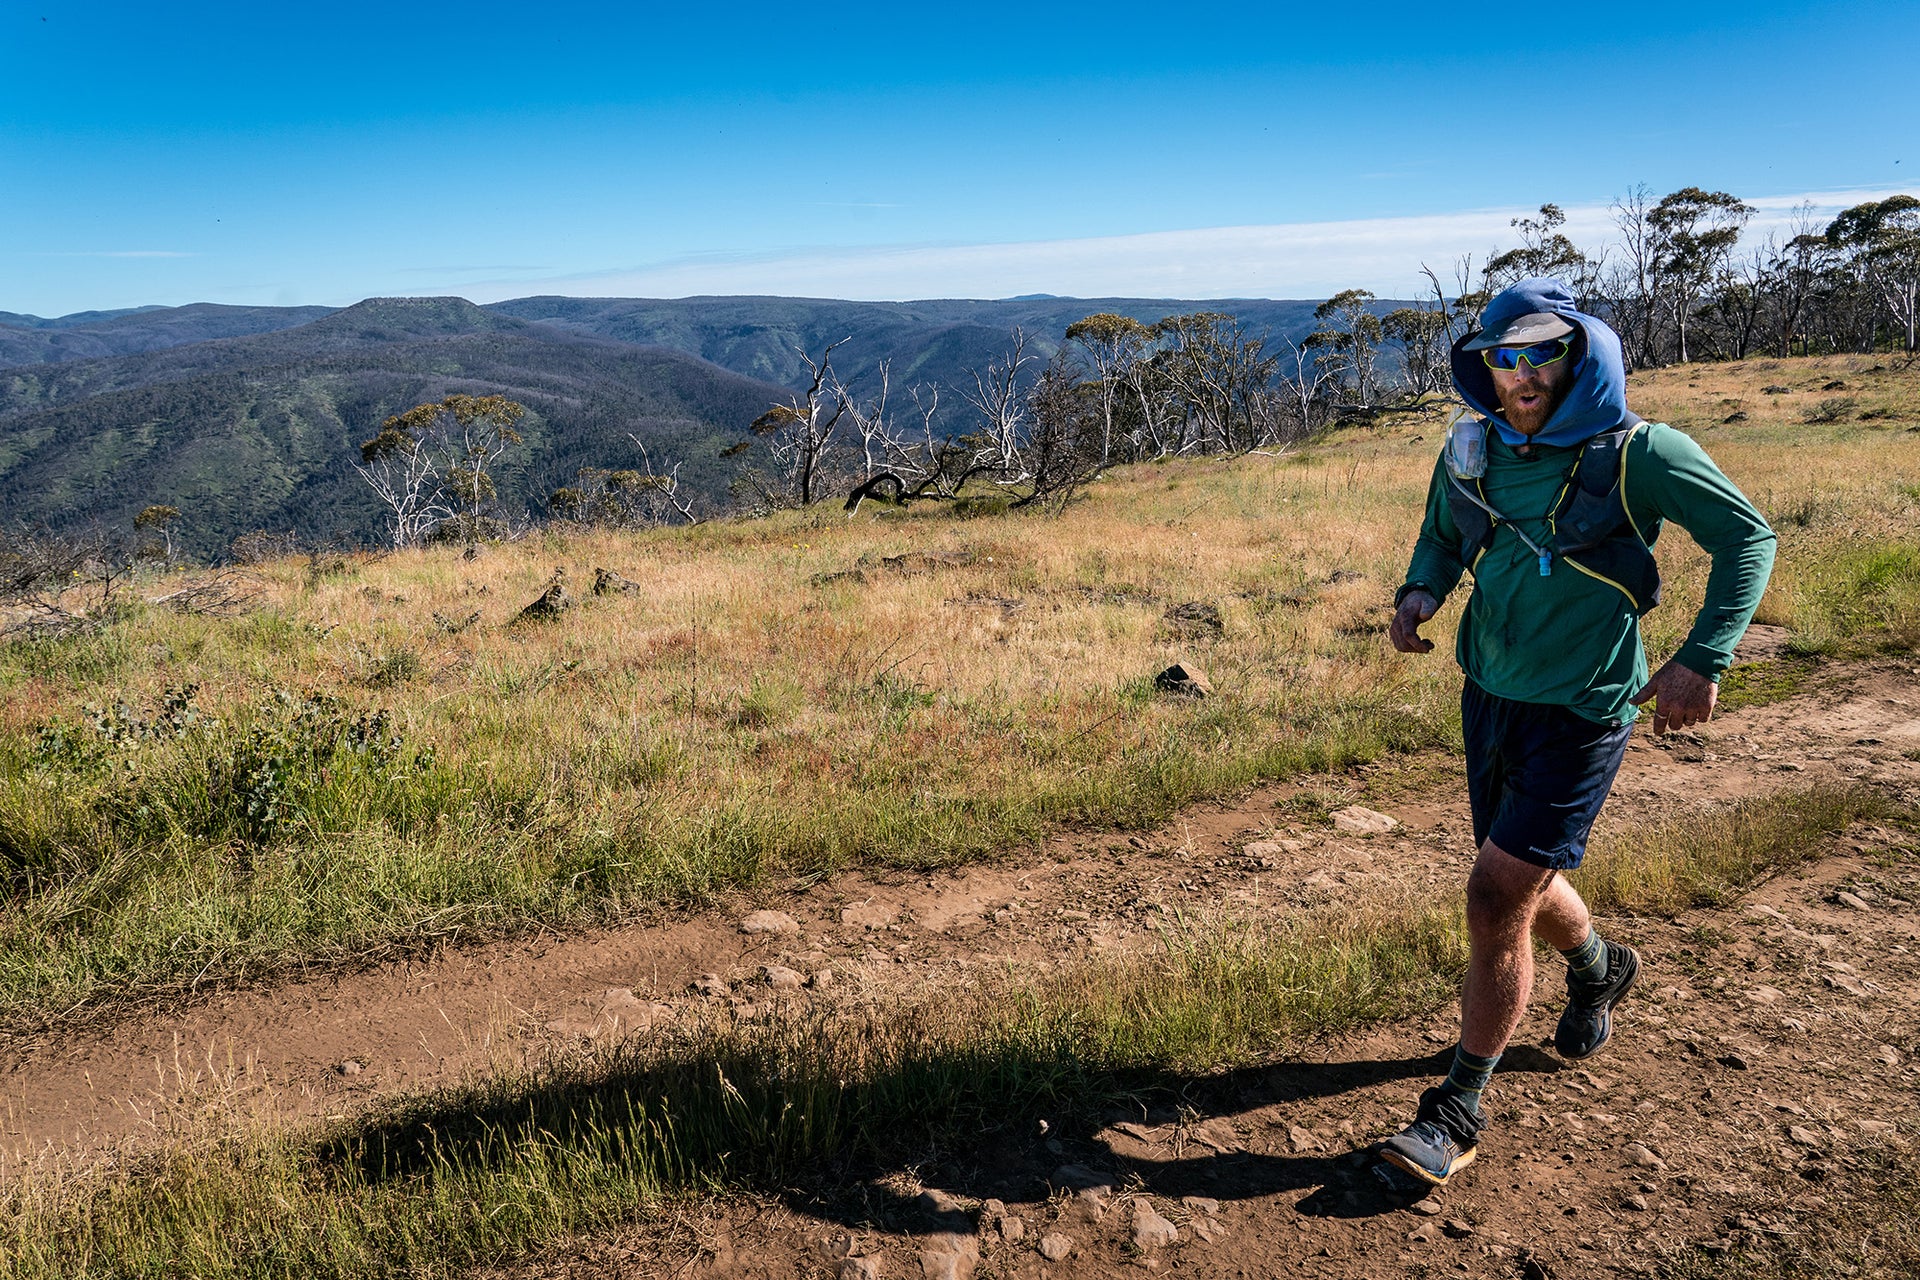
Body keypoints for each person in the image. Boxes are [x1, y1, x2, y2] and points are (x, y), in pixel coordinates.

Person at [1377, 277, 1776, 1189]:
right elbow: (1443, 536)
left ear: (1579, 352)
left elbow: (1748, 539)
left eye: (1539, 352)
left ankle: (1456, 1108)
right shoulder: (1474, 448)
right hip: (1490, 689)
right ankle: (1599, 967)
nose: (1519, 372)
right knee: (1519, 874)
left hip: (1588, 703)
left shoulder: (1642, 453)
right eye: (1502, 356)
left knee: (1493, 894)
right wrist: (1418, 593)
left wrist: (1702, 659)